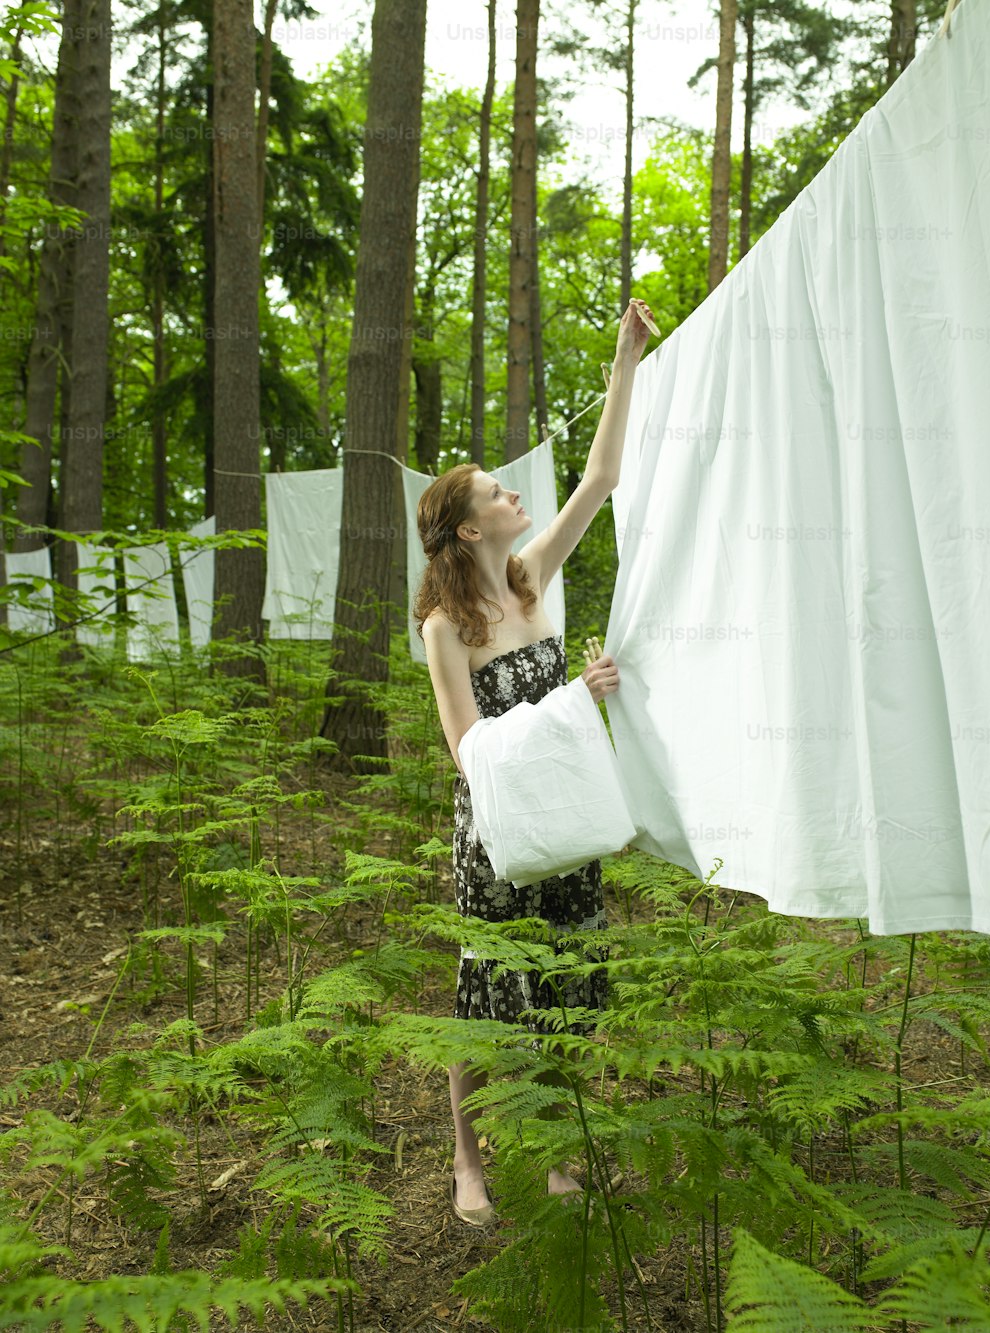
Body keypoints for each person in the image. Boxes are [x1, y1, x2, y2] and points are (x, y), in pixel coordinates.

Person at [414, 298, 654, 1226]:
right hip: (498, 831)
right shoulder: (446, 626)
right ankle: (469, 1160)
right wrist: (567, 702)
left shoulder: (532, 577)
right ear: (470, 529)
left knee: (564, 980)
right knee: (486, 992)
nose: (517, 496)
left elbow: (599, 476)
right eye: (498, 494)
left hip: (568, 814)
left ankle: (557, 1147)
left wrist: (624, 357)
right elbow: (467, 748)